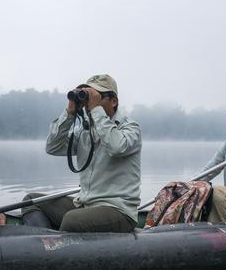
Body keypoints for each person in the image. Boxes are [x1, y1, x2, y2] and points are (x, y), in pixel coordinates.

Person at [21, 74, 141, 232]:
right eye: (87, 96)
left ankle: (57, 251)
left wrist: (97, 111)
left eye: (96, 96)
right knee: (31, 201)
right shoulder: (84, 132)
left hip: (119, 212)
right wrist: (69, 113)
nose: (89, 102)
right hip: (85, 205)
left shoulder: (130, 128)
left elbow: (116, 147)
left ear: (113, 101)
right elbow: (52, 147)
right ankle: (46, 243)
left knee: (72, 219)